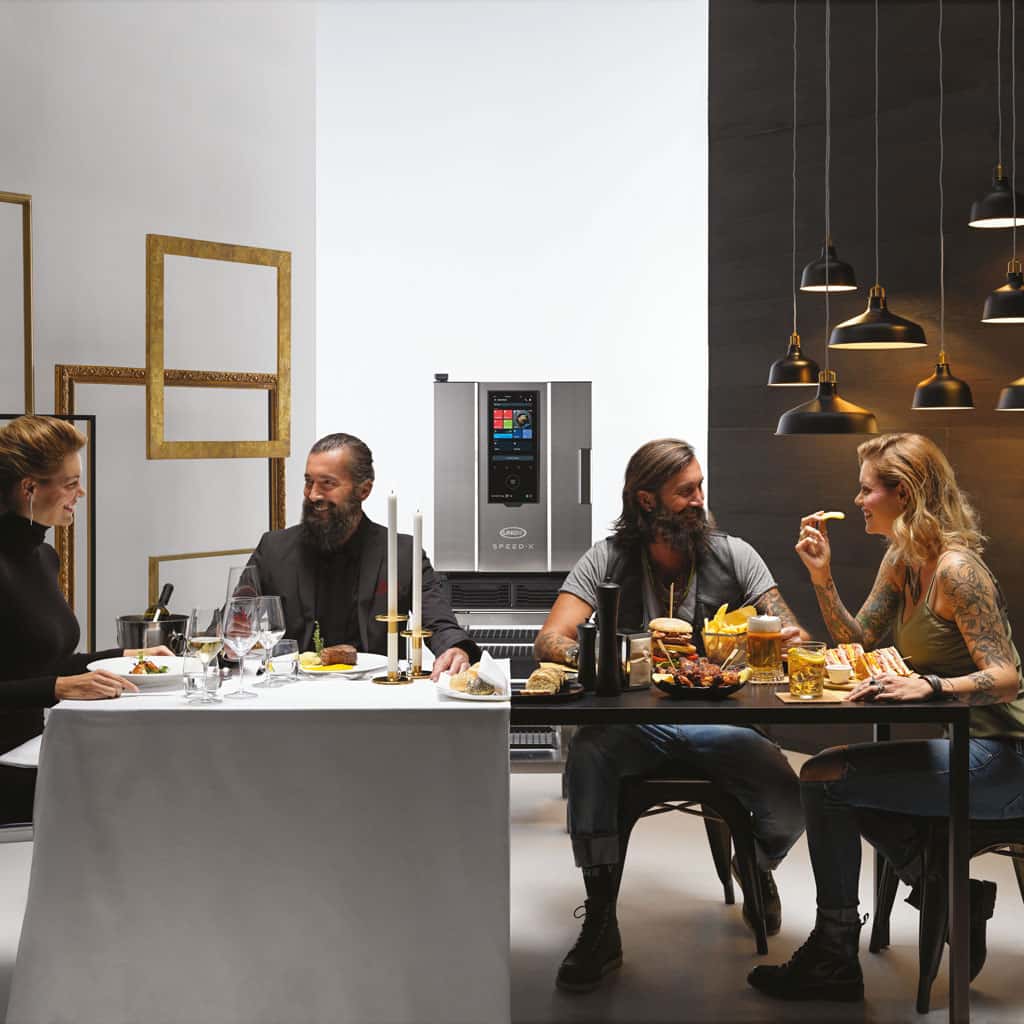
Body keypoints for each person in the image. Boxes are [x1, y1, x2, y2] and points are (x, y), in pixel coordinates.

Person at [750, 432, 1024, 1004]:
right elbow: (859, 641)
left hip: (1007, 757)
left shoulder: (957, 571)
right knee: (833, 781)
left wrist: (930, 685)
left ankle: (835, 952)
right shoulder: (904, 560)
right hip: (967, 747)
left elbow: (1006, 677)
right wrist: (822, 579)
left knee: (826, 781)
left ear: (903, 494)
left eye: (867, 489)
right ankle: (943, 891)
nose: (857, 501)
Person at [534, 438, 809, 992]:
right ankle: (602, 919)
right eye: (685, 491)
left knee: (789, 803)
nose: (698, 500)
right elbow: (551, 638)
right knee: (588, 755)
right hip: (633, 728)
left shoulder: (735, 554)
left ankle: (757, 864)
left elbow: (794, 633)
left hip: (724, 725)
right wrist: (618, 656)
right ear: (646, 500)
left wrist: (771, 641)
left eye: (700, 487)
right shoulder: (606, 558)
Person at [0, 416, 170, 823]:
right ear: (29, 488)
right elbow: (48, 680)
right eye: (71, 483)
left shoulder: (43, 557)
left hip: (36, 754)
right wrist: (59, 687)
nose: (82, 492)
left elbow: (39, 663)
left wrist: (126, 656)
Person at [247, 432, 479, 678]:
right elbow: (234, 619)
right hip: (291, 700)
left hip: (378, 698)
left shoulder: (402, 553)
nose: (313, 494)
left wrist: (455, 649)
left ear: (364, 490)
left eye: (327, 483)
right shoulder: (273, 548)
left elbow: (439, 623)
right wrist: (232, 635)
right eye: (308, 482)